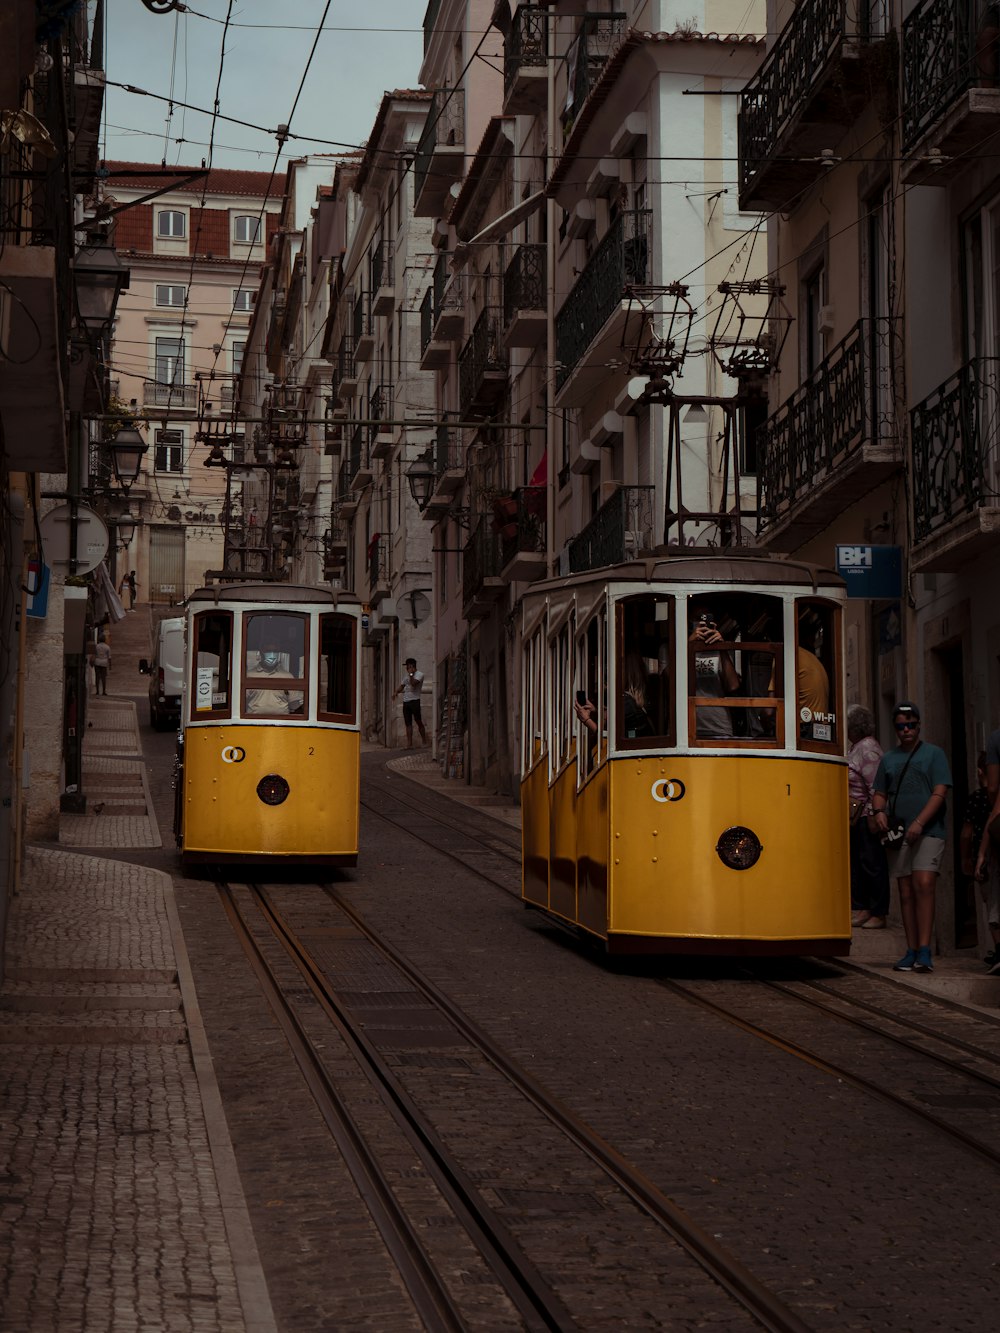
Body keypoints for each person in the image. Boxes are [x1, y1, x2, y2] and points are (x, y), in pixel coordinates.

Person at [871, 701, 952, 973]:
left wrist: (919, 822)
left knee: (924, 883)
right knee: (905, 890)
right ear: (895, 729)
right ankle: (912, 949)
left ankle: (926, 949)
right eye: (901, 726)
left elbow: (940, 791)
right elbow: (879, 791)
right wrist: (879, 811)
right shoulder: (889, 759)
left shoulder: (934, 754)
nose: (906, 730)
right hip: (898, 832)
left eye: (911, 725)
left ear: (918, 725)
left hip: (929, 829)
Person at [846, 705, 890, 928]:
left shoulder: (868, 748)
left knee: (872, 863)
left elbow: (876, 785)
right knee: (859, 863)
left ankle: (878, 912)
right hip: (855, 816)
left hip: (866, 815)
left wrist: (875, 813)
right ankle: (863, 907)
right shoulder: (856, 747)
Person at [964, 752, 1000, 972]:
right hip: (989, 857)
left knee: (993, 905)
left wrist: (974, 856)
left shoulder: (982, 796)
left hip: (990, 857)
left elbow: (966, 833)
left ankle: (999, 950)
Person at [688, 604, 740, 738]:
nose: (703, 623)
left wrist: (722, 648)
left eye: (707, 619)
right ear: (689, 621)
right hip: (686, 724)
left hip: (718, 726)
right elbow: (669, 679)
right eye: (698, 619)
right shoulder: (676, 647)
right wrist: (688, 646)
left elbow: (733, 686)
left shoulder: (718, 649)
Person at [245, 641, 299, 715]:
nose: (272, 654)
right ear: (261, 653)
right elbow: (241, 702)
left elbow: (294, 704)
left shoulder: (287, 676)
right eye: (268, 651)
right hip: (254, 722)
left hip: (282, 724)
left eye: (275, 651)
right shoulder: (249, 675)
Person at [395, 657, 427, 748]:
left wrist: (411, 674)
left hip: (415, 700)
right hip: (406, 701)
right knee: (408, 723)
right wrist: (395, 692)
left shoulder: (419, 675)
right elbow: (402, 686)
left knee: (418, 720)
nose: (407, 669)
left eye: (408, 666)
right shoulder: (406, 676)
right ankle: (409, 744)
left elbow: (413, 684)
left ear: (412, 666)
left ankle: (424, 741)